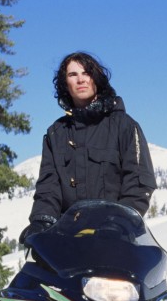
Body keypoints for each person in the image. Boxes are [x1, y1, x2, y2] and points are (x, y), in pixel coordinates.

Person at [20, 52, 156, 243]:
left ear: (96, 78)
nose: (81, 79)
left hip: (116, 239)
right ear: (65, 84)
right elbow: (48, 188)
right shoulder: (56, 133)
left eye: (87, 73)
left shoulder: (124, 125)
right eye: (72, 75)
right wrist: (41, 220)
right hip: (67, 240)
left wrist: (119, 223)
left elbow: (139, 183)